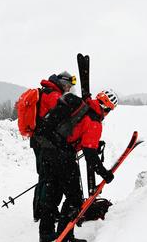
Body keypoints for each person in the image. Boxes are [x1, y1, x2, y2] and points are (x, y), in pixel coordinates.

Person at [35, 88, 118, 242]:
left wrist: (91, 144)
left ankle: (45, 235)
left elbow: (74, 132)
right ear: (106, 109)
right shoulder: (94, 121)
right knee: (74, 199)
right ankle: (65, 237)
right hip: (63, 157)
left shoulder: (82, 105)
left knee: (52, 195)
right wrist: (104, 173)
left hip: (47, 151)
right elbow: (90, 155)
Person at [30, 72, 76, 222]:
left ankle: (42, 211)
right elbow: (59, 119)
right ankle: (43, 212)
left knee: (44, 176)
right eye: (68, 86)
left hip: (40, 140)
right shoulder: (53, 96)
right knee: (47, 177)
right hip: (44, 142)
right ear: (63, 83)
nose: (69, 89)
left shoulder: (47, 92)